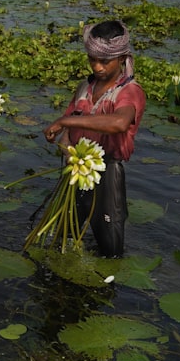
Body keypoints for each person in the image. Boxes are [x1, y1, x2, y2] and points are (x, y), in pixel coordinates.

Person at [43, 20, 146, 257]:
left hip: (106, 170)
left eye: (104, 61)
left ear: (121, 58)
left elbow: (119, 122)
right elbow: (67, 132)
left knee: (110, 245)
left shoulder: (129, 92)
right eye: (92, 59)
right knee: (63, 236)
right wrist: (66, 147)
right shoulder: (84, 88)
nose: (97, 67)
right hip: (77, 167)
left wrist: (65, 121)